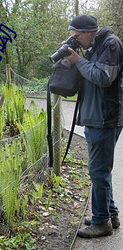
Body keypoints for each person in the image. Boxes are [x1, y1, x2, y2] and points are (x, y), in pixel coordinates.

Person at [65, 15, 123, 238]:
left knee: (98, 171)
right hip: (95, 117)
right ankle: (110, 214)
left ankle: (101, 223)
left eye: (77, 37)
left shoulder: (111, 44)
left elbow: (102, 77)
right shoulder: (94, 46)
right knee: (100, 171)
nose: (76, 41)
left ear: (89, 32)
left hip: (105, 118)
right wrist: (75, 60)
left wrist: (78, 61)